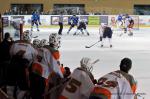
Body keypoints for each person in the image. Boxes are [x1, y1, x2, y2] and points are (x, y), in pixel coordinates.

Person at [7, 30, 37, 99]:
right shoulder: (32, 47)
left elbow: (10, 54)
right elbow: (33, 60)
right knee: (23, 87)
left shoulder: (14, 44)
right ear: (30, 38)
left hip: (12, 65)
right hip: (22, 68)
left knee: (10, 85)